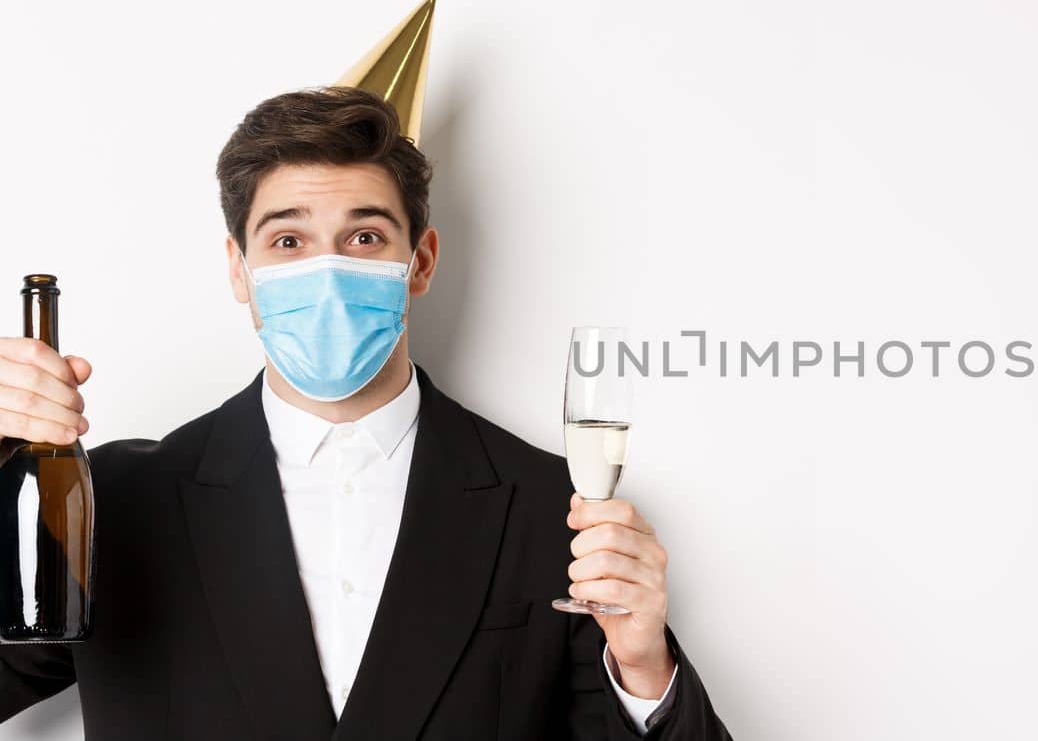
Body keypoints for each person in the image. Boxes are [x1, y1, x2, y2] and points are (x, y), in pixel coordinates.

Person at [0, 86, 733, 740]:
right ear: (238, 268)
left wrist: (644, 670)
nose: (328, 270)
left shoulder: (551, 509)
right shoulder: (116, 501)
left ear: (420, 261)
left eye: (364, 237)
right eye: (288, 240)